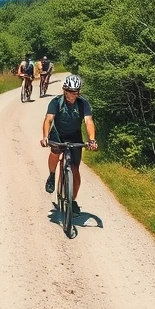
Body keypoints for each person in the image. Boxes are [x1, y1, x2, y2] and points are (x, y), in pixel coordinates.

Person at [40, 74, 98, 214]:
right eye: (70, 91)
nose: (73, 95)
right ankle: (52, 175)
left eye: (76, 92)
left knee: (75, 170)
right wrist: (45, 137)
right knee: (55, 152)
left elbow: (88, 121)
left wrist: (92, 139)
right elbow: (48, 120)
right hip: (58, 134)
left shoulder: (83, 103)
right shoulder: (56, 102)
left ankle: (72, 201)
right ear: (64, 90)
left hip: (75, 137)